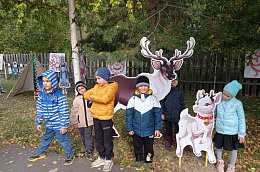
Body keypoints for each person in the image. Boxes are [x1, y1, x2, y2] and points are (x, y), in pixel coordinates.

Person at [28, 70, 75, 165]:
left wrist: (64, 125)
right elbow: (39, 109)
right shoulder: (41, 95)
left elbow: (64, 111)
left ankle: (70, 154)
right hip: (49, 124)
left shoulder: (59, 96)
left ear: (53, 82)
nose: (45, 83)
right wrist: (39, 122)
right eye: (44, 81)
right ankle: (40, 153)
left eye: (48, 81)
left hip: (58, 124)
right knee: (46, 139)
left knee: (63, 140)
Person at [83, 67, 118, 172]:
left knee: (107, 140)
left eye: (99, 78)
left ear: (106, 78)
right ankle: (101, 156)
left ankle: (108, 159)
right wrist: (95, 95)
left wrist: (93, 96)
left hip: (106, 118)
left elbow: (105, 99)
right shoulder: (96, 87)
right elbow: (85, 94)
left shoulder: (111, 87)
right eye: (96, 79)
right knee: (98, 138)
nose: (97, 81)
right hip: (96, 117)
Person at [125, 76, 162, 171]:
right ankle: (138, 158)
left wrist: (157, 128)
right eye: (141, 86)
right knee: (137, 145)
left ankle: (148, 159)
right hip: (136, 129)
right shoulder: (132, 99)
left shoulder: (153, 99)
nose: (143, 88)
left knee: (149, 146)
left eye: (145, 86)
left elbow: (157, 115)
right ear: (137, 87)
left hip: (149, 129)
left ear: (148, 87)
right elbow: (129, 115)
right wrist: (130, 128)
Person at [214, 80, 246, 172]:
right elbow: (213, 112)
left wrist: (241, 133)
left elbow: (241, 119)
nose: (224, 96)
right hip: (220, 129)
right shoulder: (219, 101)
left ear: (233, 95)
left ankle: (231, 165)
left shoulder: (238, 104)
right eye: (223, 94)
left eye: (227, 95)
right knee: (218, 146)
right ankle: (219, 161)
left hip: (232, 131)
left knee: (233, 149)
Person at [70, 81, 93, 158]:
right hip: (81, 122)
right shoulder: (77, 99)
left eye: (82, 88)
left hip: (89, 121)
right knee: (83, 136)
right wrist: (74, 122)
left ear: (85, 88)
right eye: (79, 90)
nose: (82, 90)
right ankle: (86, 147)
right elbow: (74, 111)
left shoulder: (90, 97)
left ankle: (89, 150)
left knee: (88, 135)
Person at [160, 78, 185, 148]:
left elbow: (182, 103)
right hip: (167, 113)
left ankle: (179, 141)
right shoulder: (165, 91)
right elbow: (161, 102)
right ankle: (169, 140)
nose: (174, 82)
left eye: (176, 80)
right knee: (168, 128)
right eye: (172, 80)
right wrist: (162, 113)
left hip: (177, 114)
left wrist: (183, 113)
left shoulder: (179, 92)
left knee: (178, 128)